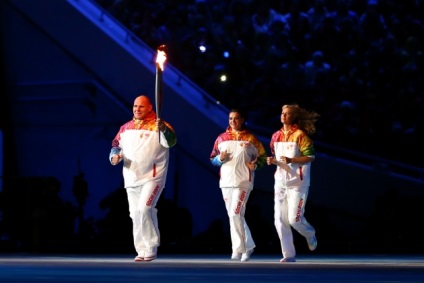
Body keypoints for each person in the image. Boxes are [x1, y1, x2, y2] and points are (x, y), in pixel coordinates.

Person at [109, 95, 177, 262]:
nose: (137, 109)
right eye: (135, 106)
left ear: (149, 108)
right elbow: (115, 146)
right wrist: (115, 157)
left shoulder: (160, 126)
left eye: (141, 106)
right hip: (131, 176)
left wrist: (164, 130)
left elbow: (172, 142)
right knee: (135, 214)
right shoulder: (125, 128)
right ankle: (141, 249)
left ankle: (152, 246)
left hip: (153, 176)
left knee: (145, 209)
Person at [210, 108, 267, 262]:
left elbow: (262, 158)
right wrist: (220, 159)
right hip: (226, 182)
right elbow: (212, 159)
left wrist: (256, 165)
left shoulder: (251, 139)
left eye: (236, 118)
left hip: (243, 182)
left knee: (236, 214)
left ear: (242, 120)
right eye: (230, 118)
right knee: (234, 215)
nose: (232, 121)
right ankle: (246, 247)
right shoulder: (221, 138)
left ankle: (240, 248)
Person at [267, 104, 319, 263]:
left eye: (288, 114)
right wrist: (272, 161)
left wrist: (292, 160)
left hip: (298, 182)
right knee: (279, 219)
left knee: (294, 220)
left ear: (294, 117)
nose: (284, 116)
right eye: (282, 113)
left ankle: (310, 234)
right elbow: (278, 158)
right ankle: (288, 254)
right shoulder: (276, 136)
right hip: (281, 182)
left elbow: (310, 157)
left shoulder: (300, 136)